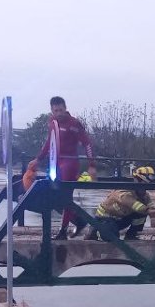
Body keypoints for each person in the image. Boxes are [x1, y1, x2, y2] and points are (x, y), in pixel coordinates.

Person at [27, 96, 96, 239]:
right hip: (55, 163)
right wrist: (38, 159)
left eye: (61, 110)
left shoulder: (74, 123)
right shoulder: (52, 122)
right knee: (52, 194)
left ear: (65, 109)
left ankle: (63, 231)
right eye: (55, 110)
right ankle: (79, 221)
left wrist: (91, 165)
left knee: (64, 196)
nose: (58, 113)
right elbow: (49, 142)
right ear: (52, 111)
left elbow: (87, 143)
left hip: (70, 163)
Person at [85, 166, 155, 241]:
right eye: (144, 184)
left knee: (141, 214)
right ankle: (95, 232)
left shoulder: (144, 195)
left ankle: (131, 235)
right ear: (137, 180)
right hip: (104, 219)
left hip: (120, 219)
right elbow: (130, 202)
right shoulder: (124, 191)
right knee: (112, 237)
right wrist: (148, 211)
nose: (145, 189)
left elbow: (151, 206)